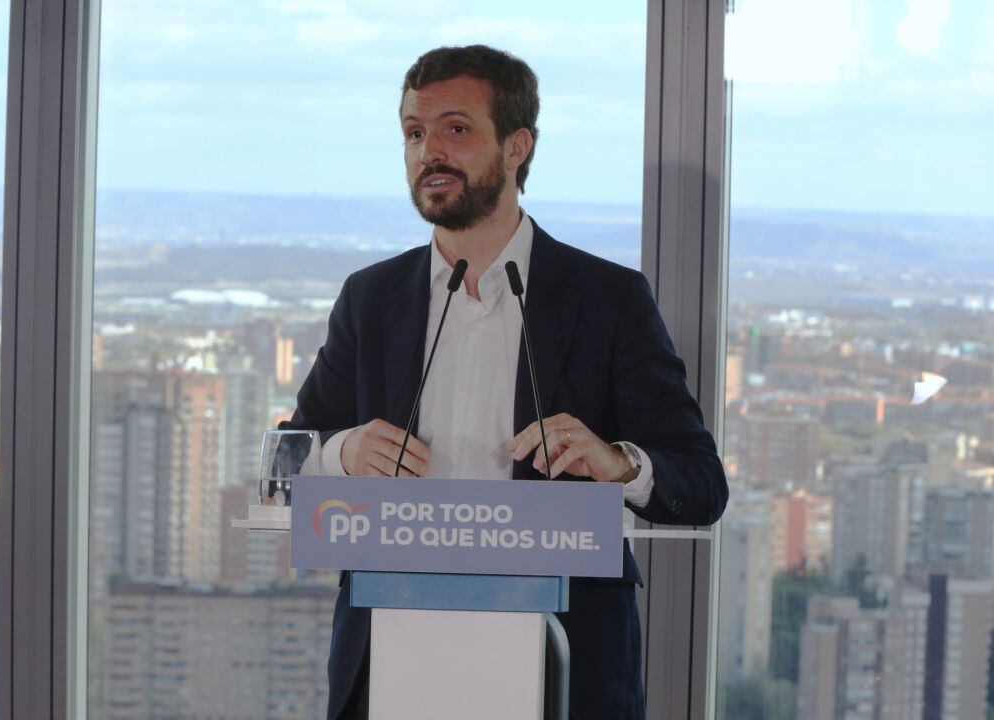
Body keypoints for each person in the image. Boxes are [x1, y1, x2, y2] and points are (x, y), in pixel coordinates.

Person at [283, 44, 728, 720]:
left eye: (454, 129)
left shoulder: (608, 300)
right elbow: (288, 457)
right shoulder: (371, 298)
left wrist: (619, 466)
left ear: (517, 146)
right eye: (413, 132)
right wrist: (341, 453)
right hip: (392, 664)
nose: (429, 150)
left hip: (563, 665)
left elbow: (700, 484)